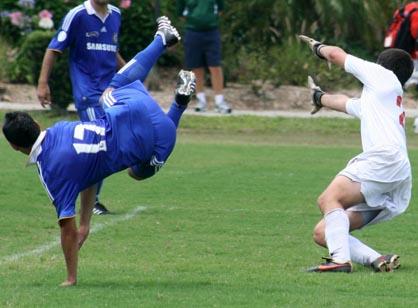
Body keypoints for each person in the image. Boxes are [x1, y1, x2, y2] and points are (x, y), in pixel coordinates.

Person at [3, 18, 195, 286]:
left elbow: (66, 230)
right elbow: (88, 174)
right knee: (111, 87)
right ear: (37, 124)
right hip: (132, 105)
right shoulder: (60, 128)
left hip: (160, 137)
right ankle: (161, 40)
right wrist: (86, 223)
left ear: (14, 147)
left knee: (138, 172)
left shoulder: (51, 172)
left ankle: (180, 104)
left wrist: (71, 277)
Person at [299, 35, 413, 273]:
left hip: (384, 160)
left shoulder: (383, 76)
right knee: (324, 233)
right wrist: (319, 98)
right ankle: (378, 259)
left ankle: (340, 261)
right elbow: (344, 103)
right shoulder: (383, 98)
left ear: (380, 66)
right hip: (396, 174)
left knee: (328, 199)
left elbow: (335, 55)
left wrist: (318, 47)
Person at [37, 0, 126, 215]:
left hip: (110, 92)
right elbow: (53, 49)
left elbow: (111, 52)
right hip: (87, 93)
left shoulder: (115, 14)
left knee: (107, 143)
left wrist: (129, 74)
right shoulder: (77, 15)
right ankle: (92, 201)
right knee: (101, 143)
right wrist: (42, 82)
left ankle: (79, 189)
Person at [176, 0, 231, 114]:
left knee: (215, 66)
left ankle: (219, 101)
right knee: (196, 67)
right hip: (192, 32)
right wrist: (195, 20)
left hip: (212, 32)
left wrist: (208, 20)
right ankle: (201, 101)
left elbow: (220, 9)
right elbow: (180, 13)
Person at [384, 2, 418, 132]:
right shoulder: (416, 12)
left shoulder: (406, 9)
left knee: (392, 91)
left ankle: (389, 123)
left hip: (395, 56)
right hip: (412, 59)